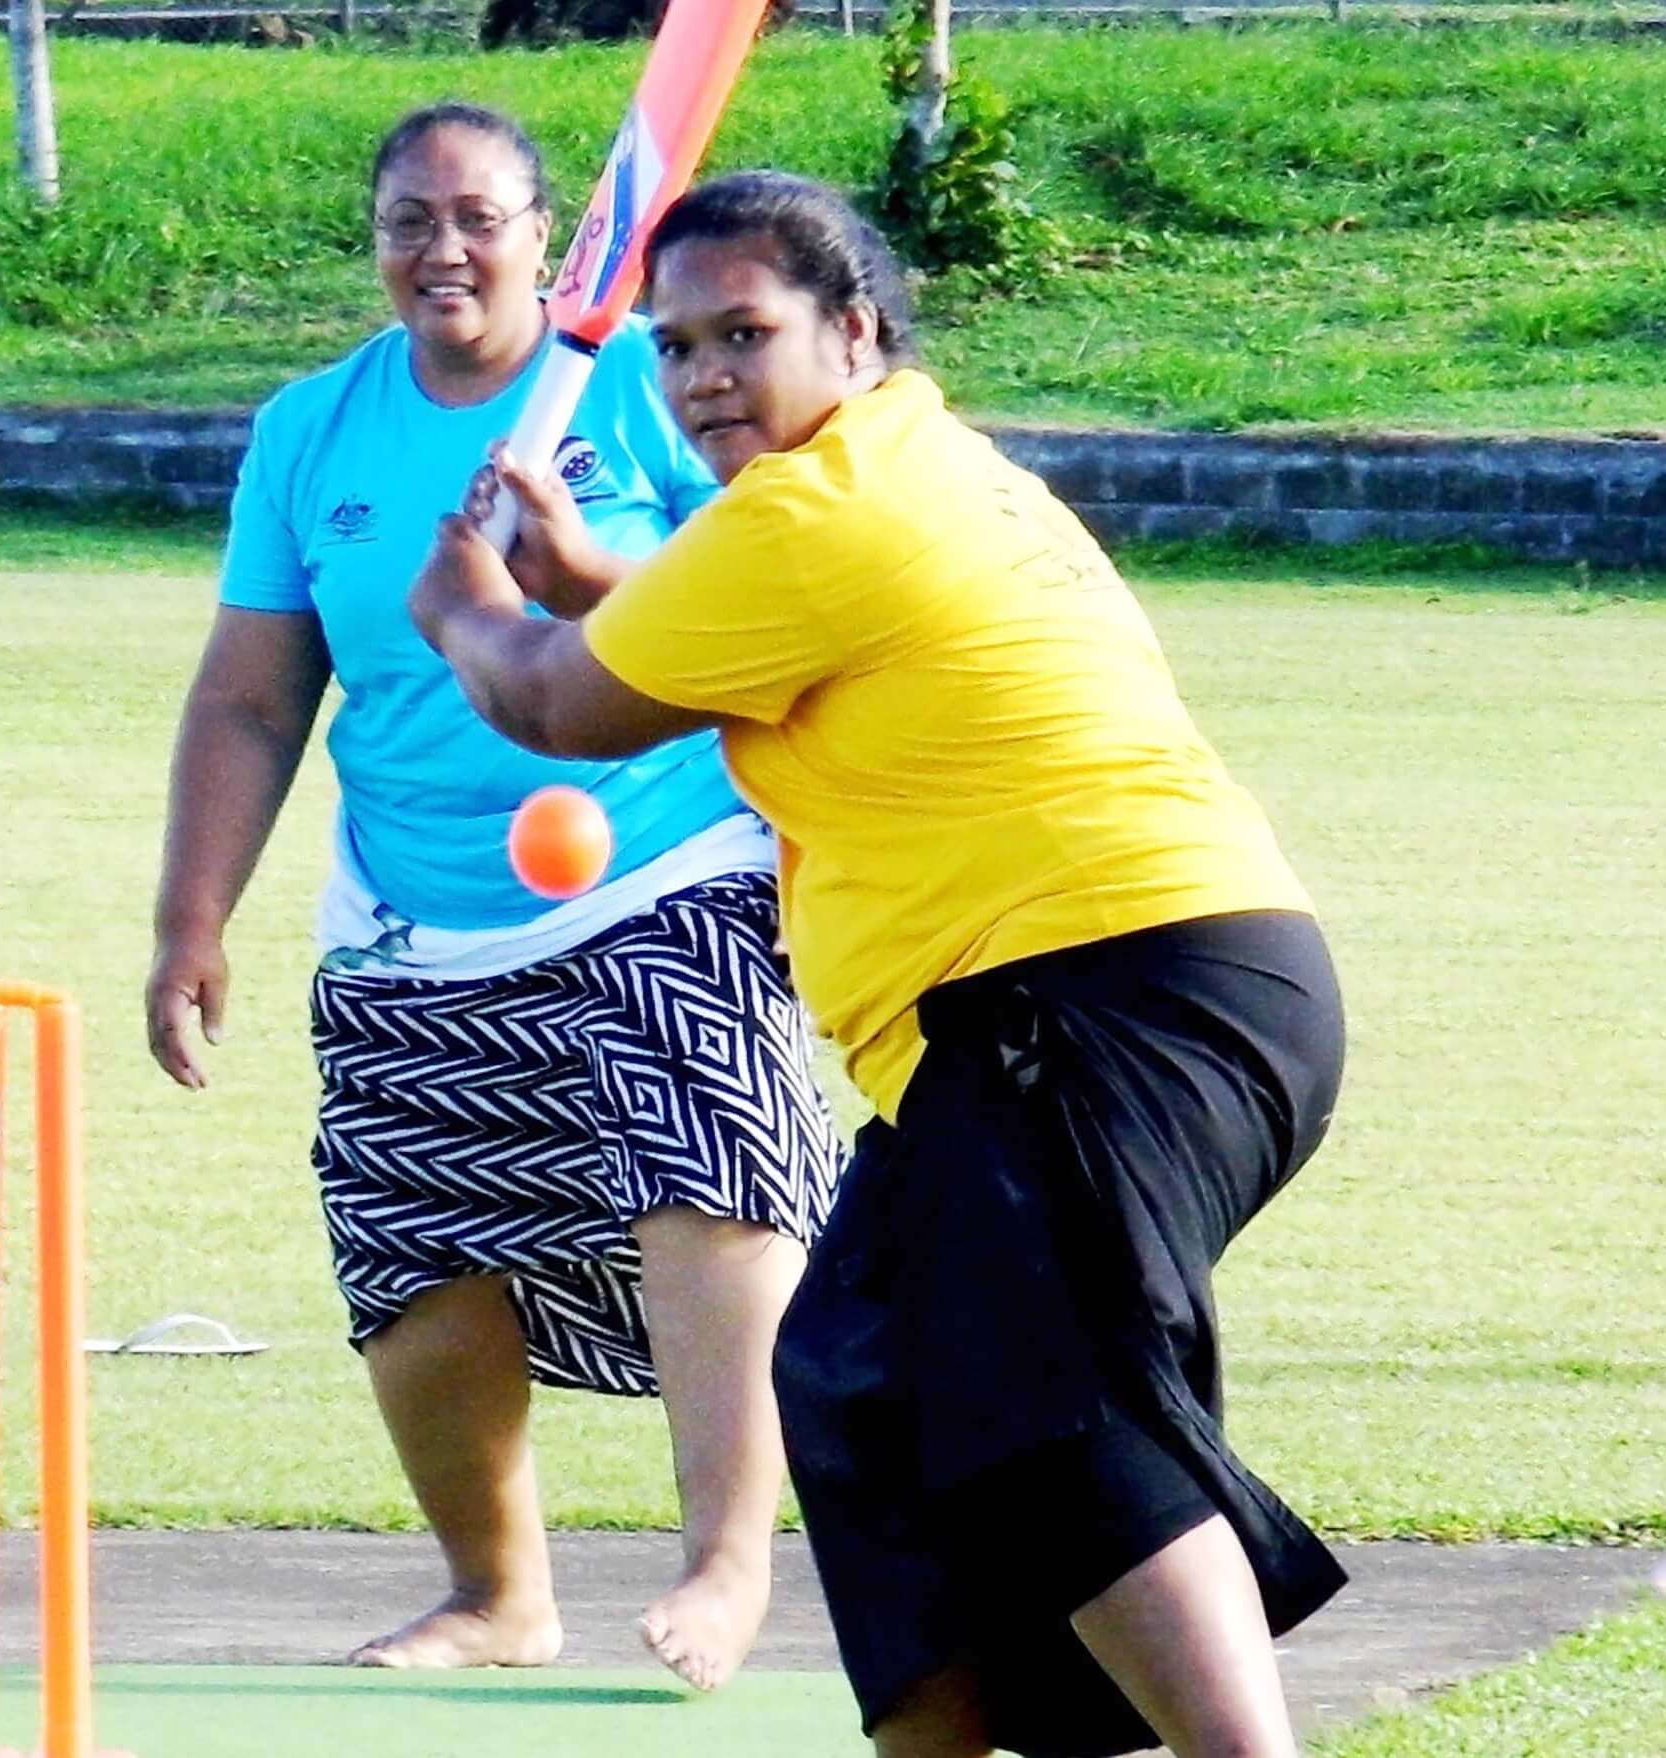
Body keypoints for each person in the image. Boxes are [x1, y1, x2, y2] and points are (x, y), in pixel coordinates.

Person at [403, 169, 1348, 1758]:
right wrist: (577, 589)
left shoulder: (815, 506)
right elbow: (741, 638)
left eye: (744, 333)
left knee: (1047, 1398)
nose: (703, 374)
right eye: (674, 343)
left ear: (854, 331)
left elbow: (563, 707)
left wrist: (468, 610)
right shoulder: (902, 472)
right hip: (1125, 993)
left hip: (1098, 988)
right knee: (859, 1383)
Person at [145, 106, 843, 1691]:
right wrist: (192, 917)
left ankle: (729, 1564)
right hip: (410, 903)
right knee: (409, 1257)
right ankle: (495, 1594)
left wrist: (588, 565)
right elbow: (254, 698)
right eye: (408, 219)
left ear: (548, 235)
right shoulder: (311, 429)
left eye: (477, 217)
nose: (442, 249)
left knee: (713, 1173)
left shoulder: (644, 392)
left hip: (664, 853)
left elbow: (767, 605)